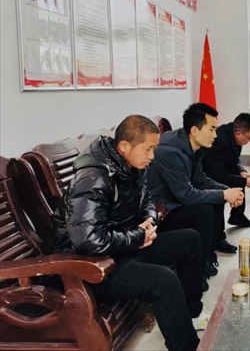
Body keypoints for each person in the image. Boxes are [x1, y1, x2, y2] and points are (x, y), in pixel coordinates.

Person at [52, 115, 208, 351]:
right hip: (89, 265)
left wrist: (149, 221)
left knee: (189, 240)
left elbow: (146, 200)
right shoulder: (92, 179)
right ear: (124, 146)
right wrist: (138, 236)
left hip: (120, 247)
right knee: (163, 281)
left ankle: (191, 314)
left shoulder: (130, 166)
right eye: (148, 149)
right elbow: (89, 241)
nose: (152, 156)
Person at [147, 103, 245, 279]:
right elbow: (186, 195)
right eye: (212, 129)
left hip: (175, 202)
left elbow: (199, 178)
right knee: (204, 211)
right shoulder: (169, 153)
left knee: (214, 200)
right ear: (194, 130)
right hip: (161, 211)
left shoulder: (192, 146)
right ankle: (198, 270)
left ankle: (207, 257)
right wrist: (224, 194)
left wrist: (227, 191)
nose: (215, 135)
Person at [204, 113, 250, 230]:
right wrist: (245, 182)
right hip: (207, 175)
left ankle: (237, 216)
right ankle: (219, 234)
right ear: (238, 134)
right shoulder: (218, 141)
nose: (249, 141)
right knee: (239, 181)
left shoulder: (234, 136)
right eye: (249, 137)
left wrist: (241, 171)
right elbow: (216, 175)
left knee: (239, 178)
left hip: (219, 168)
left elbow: (235, 159)